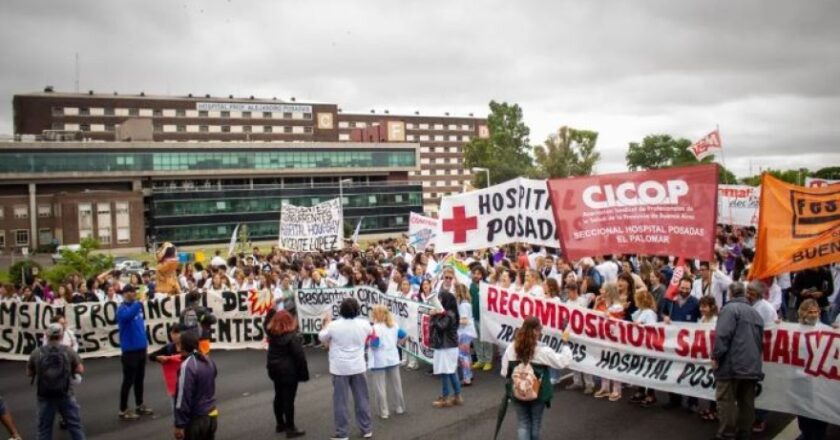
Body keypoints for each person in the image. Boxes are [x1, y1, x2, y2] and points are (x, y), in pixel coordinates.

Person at [501, 316, 573, 440]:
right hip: (537, 392)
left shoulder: (511, 348)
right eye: (540, 329)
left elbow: (504, 372)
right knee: (535, 423)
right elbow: (563, 362)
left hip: (518, 391)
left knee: (523, 423)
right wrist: (565, 343)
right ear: (536, 331)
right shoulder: (542, 351)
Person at [712, 282, 764, 440]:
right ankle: (744, 433)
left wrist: (716, 356)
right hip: (752, 365)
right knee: (746, 402)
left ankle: (727, 434)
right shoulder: (756, 314)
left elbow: (722, 335)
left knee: (726, 400)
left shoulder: (729, 309)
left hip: (732, 364)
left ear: (730, 294)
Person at [318, 298, 374, 440]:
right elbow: (371, 333)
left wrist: (326, 322)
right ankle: (366, 428)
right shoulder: (364, 324)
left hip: (340, 368)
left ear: (341, 310)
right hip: (358, 366)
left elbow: (321, 337)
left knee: (340, 402)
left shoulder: (334, 325)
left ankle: (342, 433)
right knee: (362, 399)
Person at [27, 322, 86, 440]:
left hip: (45, 395)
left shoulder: (37, 352)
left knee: (44, 429)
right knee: (75, 427)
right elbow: (80, 369)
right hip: (65, 394)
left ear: (46, 335)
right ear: (61, 335)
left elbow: (29, 373)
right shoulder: (68, 351)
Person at [266, 310, 308, 438]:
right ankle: (290, 428)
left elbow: (267, 321)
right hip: (288, 371)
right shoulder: (292, 337)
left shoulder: (272, 334)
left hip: (274, 368)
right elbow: (299, 356)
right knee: (288, 399)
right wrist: (303, 374)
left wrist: (271, 312)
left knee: (278, 395)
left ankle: (280, 424)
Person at [794, 299, 830, 440]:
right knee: (802, 410)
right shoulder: (794, 330)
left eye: (816, 312)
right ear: (802, 312)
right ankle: (806, 432)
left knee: (820, 411)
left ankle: (818, 434)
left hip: (819, 380)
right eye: (810, 312)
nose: (814, 315)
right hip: (800, 379)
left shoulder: (826, 331)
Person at [663, 277, 700, 410]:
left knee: (690, 372)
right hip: (673, 343)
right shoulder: (670, 301)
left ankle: (692, 402)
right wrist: (665, 317)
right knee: (672, 371)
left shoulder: (696, 303)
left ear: (691, 289)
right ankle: (674, 399)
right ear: (678, 287)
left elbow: (703, 320)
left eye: (687, 289)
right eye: (682, 288)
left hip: (689, 344)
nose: (684, 291)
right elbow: (662, 312)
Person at [116, 285, 153, 420]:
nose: (134, 293)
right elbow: (127, 317)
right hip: (130, 351)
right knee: (128, 381)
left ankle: (139, 404)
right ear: (125, 294)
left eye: (134, 291)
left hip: (140, 349)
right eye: (131, 292)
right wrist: (139, 302)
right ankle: (123, 409)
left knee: (139, 379)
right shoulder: (122, 309)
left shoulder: (136, 308)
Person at [173, 332, 219, 440]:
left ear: (182, 346)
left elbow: (183, 396)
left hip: (197, 420)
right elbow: (213, 376)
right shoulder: (208, 360)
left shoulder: (187, 366)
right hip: (212, 415)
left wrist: (179, 424)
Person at [369, 305, 407, 419]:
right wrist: (398, 343)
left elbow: (374, 345)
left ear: (378, 314)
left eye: (374, 313)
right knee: (397, 385)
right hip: (393, 358)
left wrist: (368, 344)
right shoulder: (394, 325)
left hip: (379, 360)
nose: (372, 315)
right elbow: (405, 335)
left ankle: (384, 412)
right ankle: (400, 407)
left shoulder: (374, 328)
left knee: (380, 387)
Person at [430, 291, 463, 408]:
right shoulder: (450, 313)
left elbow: (441, 327)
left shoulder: (449, 314)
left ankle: (446, 397)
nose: (438, 301)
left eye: (440, 299)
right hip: (447, 346)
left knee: (445, 372)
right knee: (450, 371)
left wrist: (434, 316)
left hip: (446, 347)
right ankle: (457, 396)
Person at [593, 283, 624, 401]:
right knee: (603, 361)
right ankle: (605, 387)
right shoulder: (602, 303)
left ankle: (617, 389)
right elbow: (592, 315)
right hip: (602, 337)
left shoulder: (617, 306)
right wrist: (596, 303)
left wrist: (607, 314)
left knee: (614, 362)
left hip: (614, 338)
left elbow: (615, 318)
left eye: (603, 290)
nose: (601, 291)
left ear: (609, 292)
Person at [628, 290, 658, 407]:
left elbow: (651, 329)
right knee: (640, 368)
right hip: (640, 346)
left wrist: (640, 325)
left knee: (648, 370)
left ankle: (650, 393)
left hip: (648, 347)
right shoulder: (641, 311)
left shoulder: (649, 313)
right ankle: (641, 391)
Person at [148, 325, 183, 409]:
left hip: (187, 382)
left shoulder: (188, 346)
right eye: (172, 333)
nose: (174, 336)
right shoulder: (169, 348)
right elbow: (151, 356)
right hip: (174, 384)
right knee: (175, 408)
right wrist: (158, 358)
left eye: (177, 333)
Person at [697, 296, 719, 422]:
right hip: (704, 355)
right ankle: (711, 409)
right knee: (710, 383)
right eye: (701, 306)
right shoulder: (703, 318)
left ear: (711, 307)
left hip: (712, 356)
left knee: (714, 384)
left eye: (704, 306)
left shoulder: (716, 321)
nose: (702, 309)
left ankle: (714, 410)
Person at [470, 267, 494, 372]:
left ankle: (488, 360)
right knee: (477, 339)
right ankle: (480, 359)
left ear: (482, 275)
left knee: (486, 340)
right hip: (473, 316)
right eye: (474, 273)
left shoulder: (487, 285)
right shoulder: (470, 285)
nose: (476, 275)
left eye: (478, 273)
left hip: (484, 318)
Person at [454, 283, 477, 386]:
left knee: (463, 356)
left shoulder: (463, 305)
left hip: (464, 333)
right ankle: (469, 375)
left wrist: (453, 321)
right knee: (467, 355)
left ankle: (466, 378)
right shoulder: (466, 303)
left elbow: (464, 321)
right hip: (468, 332)